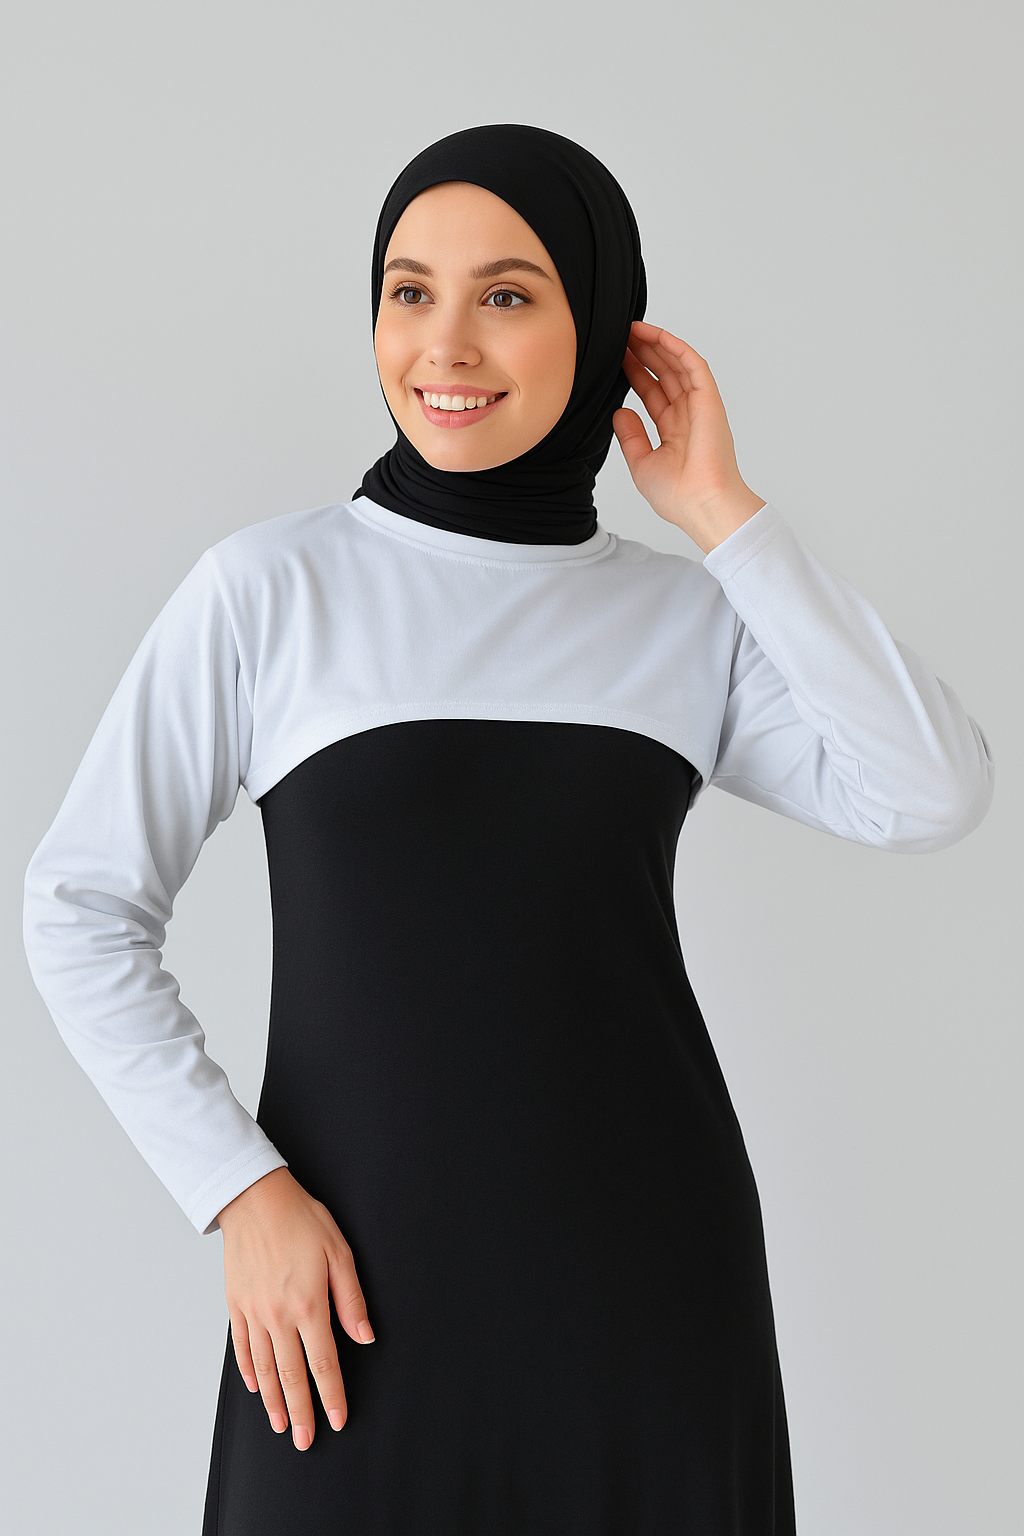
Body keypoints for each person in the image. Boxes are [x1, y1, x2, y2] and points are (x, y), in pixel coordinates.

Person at [23, 123, 994, 1535]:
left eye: (508, 294)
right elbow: (80, 906)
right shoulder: (272, 590)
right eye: (409, 292)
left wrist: (723, 514)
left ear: (601, 329)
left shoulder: (684, 618)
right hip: (341, 1311)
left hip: (650, 1297)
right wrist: (240, 1193)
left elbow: (930, 790)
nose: (447, 344)